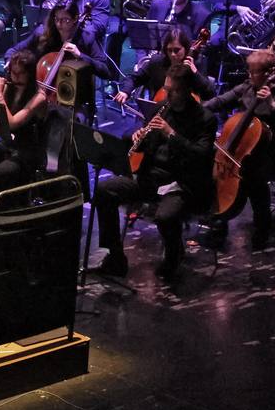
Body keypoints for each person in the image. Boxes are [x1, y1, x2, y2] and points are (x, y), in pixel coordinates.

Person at [91, 65, 215, 279]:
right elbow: (141, 141)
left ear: (187, 90)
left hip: (181, 184)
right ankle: (115, 257)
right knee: (104, 190)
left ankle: (173, 255)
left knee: (165, 216)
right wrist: (136, 137)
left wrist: (171, 134)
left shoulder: (204, 119)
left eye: (173, 91)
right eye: (166, 89)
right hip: (150, 178)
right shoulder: (162, 108)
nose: (167, 95)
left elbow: (201, 155)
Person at [202, 48, 275, 251]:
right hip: (248, 150)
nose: (249, 75)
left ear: (267, 73)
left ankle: (262, 228)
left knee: (254, 177)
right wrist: (198, 109)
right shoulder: (248, 86)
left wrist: (272, 104)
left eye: (253, 72)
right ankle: (219, 221)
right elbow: (222, 100)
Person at [0, 50, 47, 193]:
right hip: (8, 144)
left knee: (3, 172)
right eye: (13, 72)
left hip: (29, 150)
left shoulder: (39, 96)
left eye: (21, 73)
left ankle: (4, 210)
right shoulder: (9, 87)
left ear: (30, 74)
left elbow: (13, 123)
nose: (16, 77)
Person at [114, 25, 215, 105]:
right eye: (169, 50)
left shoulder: (196, 63)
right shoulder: (157, 62)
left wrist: (195, 74)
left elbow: (209, 94)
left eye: (177, 50)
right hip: (158, 111)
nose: (172, 55)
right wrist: (125, 91)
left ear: (186, 48)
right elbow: (134, 78)